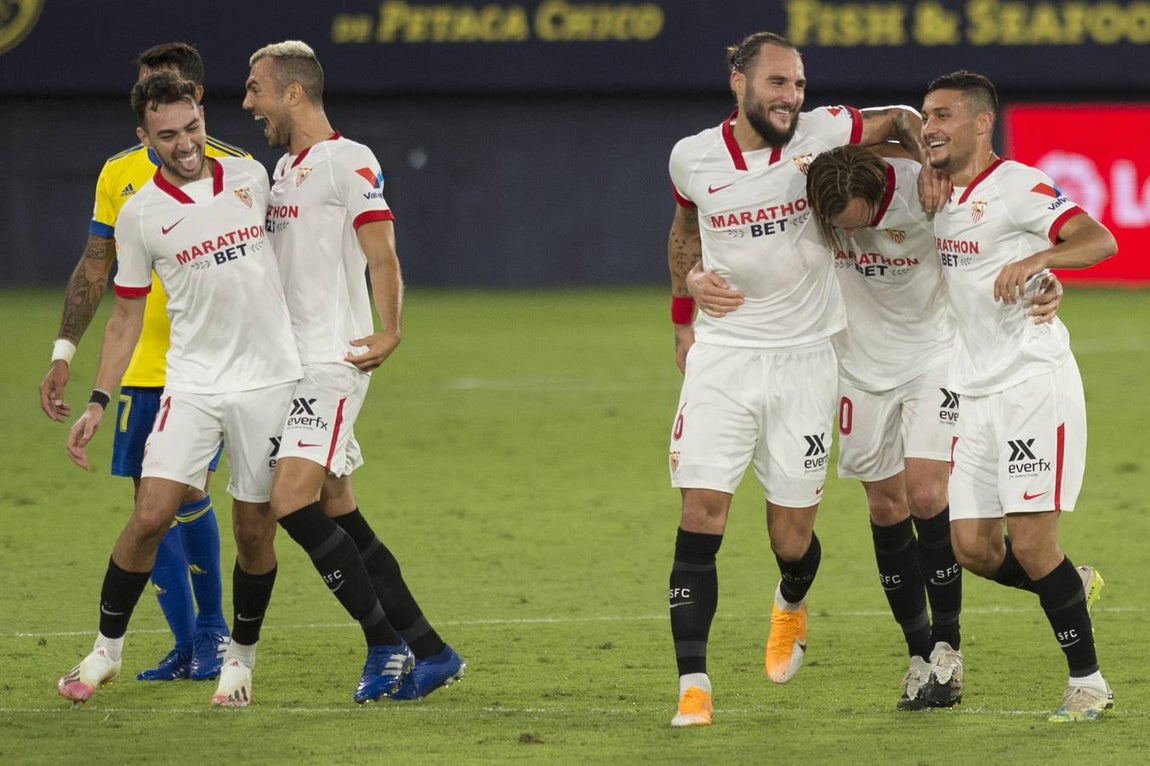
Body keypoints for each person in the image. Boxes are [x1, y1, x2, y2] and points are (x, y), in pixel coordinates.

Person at [56, 72, 412, 708]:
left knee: (256, 531)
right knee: (150, 512)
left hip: (270, 382)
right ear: (146, 138)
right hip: (191, 383)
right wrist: (98, 400)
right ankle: (104, 651)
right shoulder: (140, 215)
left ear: (202, 118)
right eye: (168, 135)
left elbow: (317, 241)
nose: (186, 143)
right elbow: (126, 315)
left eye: (193, 127)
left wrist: (364, 319)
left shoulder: (253, 179)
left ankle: (239, 664)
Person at [663, 31, 945, 728]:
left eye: (797, 84)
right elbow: (685, 229)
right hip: (724, 355)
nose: (791, 97)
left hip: (808, 361)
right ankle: (693, 686)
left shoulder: (825, 131)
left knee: (791, 539)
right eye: (777, 84)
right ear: (739, 81)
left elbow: (905, 119)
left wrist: (928, 162)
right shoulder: (691, 157)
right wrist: (684, 302)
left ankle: (791, 600)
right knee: (701, 514)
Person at [216, 39, 463, 706]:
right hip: (289, 366)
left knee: (289, 501)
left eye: (255, 88)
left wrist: (390, 328)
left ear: (292, 93)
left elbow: (381, 252)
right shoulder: (283, 171)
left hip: (332, 360)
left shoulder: (348, 161)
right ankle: (432, 651)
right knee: (336, 508)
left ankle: (384, 645)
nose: (247, 102)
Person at [38, 42, 237, 683]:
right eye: (149, 98)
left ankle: (213, 635)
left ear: (195, 99)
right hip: (139, 372)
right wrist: (65, 354)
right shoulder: (117, 177)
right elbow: (95, 269)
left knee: (191, 495)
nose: (159, 110)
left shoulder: (241, 171)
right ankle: (186, 643)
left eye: (171, 94)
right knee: (150, 508)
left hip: (207, 370)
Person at [920, 70, 1115, 722]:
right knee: (972, 547)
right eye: (926, 115)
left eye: (944, 115)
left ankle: (1088, 683)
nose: (930, 126)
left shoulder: (1019, 186)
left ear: (981, 122)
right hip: (974, 394)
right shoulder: (938, 192)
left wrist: (1042, 263)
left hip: (1032, 384)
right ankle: (1070, 582)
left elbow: (1098, 237)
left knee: (1031, 543)